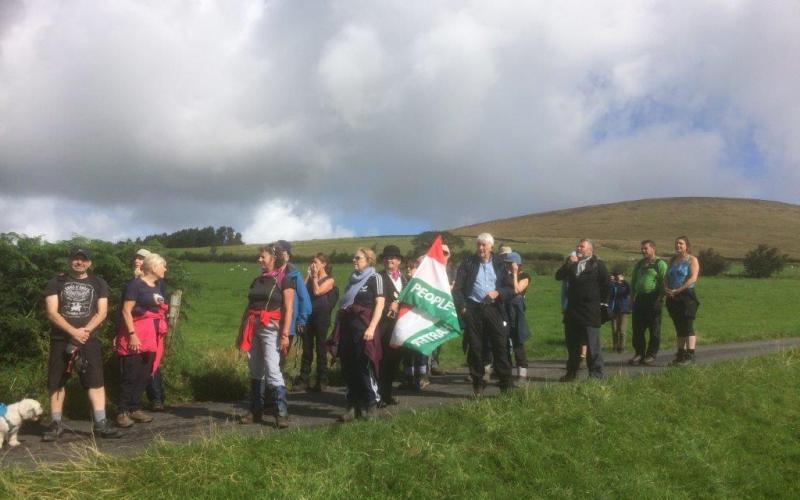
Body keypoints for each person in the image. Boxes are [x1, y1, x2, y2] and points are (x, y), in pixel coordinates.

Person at [41, 248, 120, 441]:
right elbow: (52, 312)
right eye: (75, 259)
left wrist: (84, 332)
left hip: (89, 340)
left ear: (89, 263)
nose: (79, 262)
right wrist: (73, 332)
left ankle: (101, 424)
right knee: (57, 381)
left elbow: (102, 312)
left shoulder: (98, 282)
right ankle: (56, 424)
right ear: (69, 261)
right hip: (61, 339)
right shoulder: (56, 282)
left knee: (96, 381)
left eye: (83, 260)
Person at [236, 243, 294, 428]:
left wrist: (285, 333)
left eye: (263, 257)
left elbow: (288, 308)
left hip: (271, 328)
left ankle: (281, 413)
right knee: (255, 368)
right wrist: (241, 331)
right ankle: (256, 411)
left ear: (273, 258)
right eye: (259, 257)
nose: (259, 260)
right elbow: (249, 307)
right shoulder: (257, 280)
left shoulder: (285, 280)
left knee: (272, 368)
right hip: (253, 327)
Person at [452, 233, 514, 395]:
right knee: (475, 347)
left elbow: (510, 289)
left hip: (494, 309)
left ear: (491, 247)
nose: (480, 248)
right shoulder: (468, 264)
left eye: (484, 245)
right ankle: (478, 383)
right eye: (478, 245)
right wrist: (463, 308)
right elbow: (457, 289)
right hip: (473, 309)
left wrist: (498, 292)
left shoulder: (500, 264)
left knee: (500, 345)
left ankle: (505, 385)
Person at [115, 253, 170, 428]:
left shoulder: (157, 285)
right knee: (131, 373)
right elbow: (126, 311)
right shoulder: (135, 285)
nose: (165, 269)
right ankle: (122, 411)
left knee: (145, 373)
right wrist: (132, 334)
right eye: (163, 266)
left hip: (151, 334)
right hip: (136, 334)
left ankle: (135, 407)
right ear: (153, 267)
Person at [331, 248, 385, 421]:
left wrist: (371, 328)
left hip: (364, 328)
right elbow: (345, 304)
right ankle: (353, 406)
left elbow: (380, 303)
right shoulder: (352, 279)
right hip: (348, 327)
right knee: (348, 366)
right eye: (354, 258)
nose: (354, 260)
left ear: (369, 260)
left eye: (358, 258)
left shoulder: (375, 278)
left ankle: (371, 404)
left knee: (364, 365)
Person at [555, 239, 609, 381]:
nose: (578, 248)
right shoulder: (572, 263)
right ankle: (571, 373)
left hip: (590, 311)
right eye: (577, 246)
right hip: (573, 311)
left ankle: (596, 375)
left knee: (592, 346)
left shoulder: (598, 265)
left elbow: (607, 285)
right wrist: (568, 264)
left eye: (582, 246)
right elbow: (558, 276)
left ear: (590, 250)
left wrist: (602, 304)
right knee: (572, 345)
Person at [131, 248, 167, 411]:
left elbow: (159, 305)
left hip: (151, 326)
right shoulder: (133, 282)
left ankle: (157, 398)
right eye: (136, 258)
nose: (137, 261)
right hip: (134, 325)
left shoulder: (157, 283)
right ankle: (134, 402)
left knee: (152, 361)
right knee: (137, 364)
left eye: (141, 259)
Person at [297, 253, 336, 391]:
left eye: (316, 262)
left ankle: (322, 380)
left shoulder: (329, 280)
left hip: (321, 317)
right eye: (312, 262)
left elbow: (317, 291)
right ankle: (304, 379)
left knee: (320, 347)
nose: (313, 265)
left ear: (324, 264)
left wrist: (314, 277)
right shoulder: (311, 276)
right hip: (308, 315)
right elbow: (301, 290)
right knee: (306, 347)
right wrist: (309, 275)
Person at [629, 240, 668, 365]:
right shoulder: (640, 264)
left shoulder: (659, 264)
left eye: (645, 248)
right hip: (640, 299)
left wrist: (660, 299)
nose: (643, 251)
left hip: (654, 298)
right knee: (637, 329)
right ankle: (639, 353)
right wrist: (631, 298)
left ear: (653, 249)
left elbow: (664, 282)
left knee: (654, 328)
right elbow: (633, 281)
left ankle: (651, 354)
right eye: (642, 249)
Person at [665, 236, 701, 366]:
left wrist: (679, 289)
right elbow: (666, 276)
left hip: (686, 295)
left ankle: (690, 355)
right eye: (676, 243)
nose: (678, 245)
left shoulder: (692, 260)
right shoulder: (672, 260)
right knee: (679, 326)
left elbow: (692, 278)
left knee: (687, 325)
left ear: (687, 246)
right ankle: (680, 354)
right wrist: (666, 288)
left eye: (681, 243)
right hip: (673, 296)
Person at [504, 252, 531, 380]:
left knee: (517, 340)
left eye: (509, 264)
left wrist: (514, 274)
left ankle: (522, 371)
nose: (507, 266)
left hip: (516, 312)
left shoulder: (524, 276)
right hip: (504, 310)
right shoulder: (504, 276)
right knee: (503, 341)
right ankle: (506, 370)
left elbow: (517, 290)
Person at [429, 243, 454, 376]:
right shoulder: (430, 268)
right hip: (431, 306)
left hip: (444, 308)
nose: (442, 255)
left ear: (449, 255)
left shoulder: (451, 270)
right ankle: (426, 366)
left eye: (445, 253)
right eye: (440, 252)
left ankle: (434, 363)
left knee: (439, 336)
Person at [608, 268, 631, 354]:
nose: (618, 277)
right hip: (613, 309)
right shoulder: (612, 285)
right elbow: (608, 291)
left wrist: (624, 281)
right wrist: (611, 281)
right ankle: (615, 347)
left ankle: (622, 347)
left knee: (622, 330)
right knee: (614, 329)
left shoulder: (625, 285)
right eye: (616, 275)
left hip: (623, 309)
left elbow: (629, 291)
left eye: (620, 275)